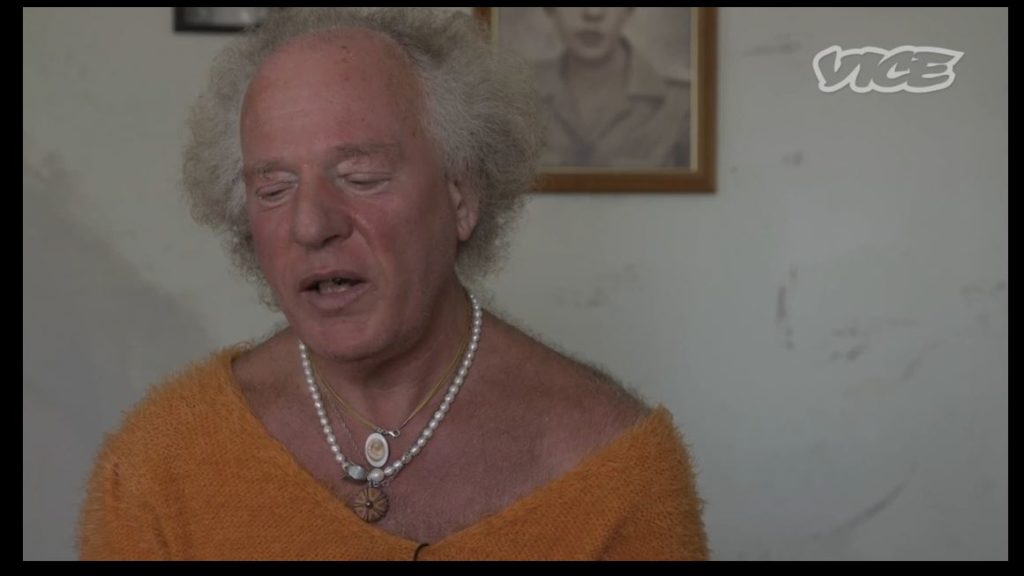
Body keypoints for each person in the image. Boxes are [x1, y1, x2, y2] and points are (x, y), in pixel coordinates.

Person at [77, 7, 708, 560]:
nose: (311, 225)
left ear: (461, 197)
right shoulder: (158, 462)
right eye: (272, 188)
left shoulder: (614, 467)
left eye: (361, 176)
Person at [534, 7, 691, 168]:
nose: (593, 13)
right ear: (550, 10)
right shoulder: (519, 95)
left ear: (628, 10)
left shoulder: (684, 105)